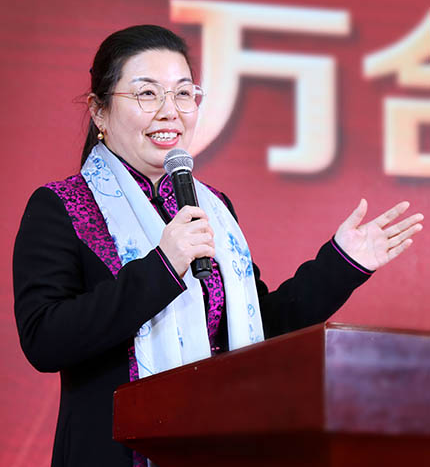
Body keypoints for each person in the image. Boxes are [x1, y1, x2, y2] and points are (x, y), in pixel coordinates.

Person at [13, 25, 423, 467]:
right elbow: (45, 339)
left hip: (213, 451)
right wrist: (163, 267)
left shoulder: (212, 207)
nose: (170, 112)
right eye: (147, 94)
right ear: (100, 112)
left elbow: (261, 330)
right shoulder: (62, 206)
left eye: (183, 94)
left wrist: (342, 264)